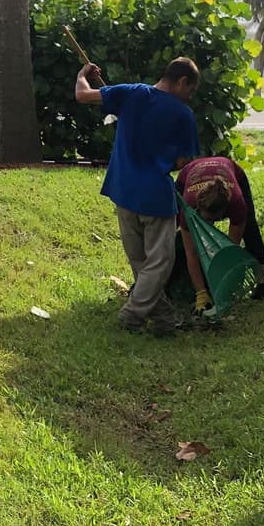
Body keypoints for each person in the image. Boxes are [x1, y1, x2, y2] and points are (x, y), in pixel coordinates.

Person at [75, 57, 202, 334]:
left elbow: (82, 94)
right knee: (159, 263)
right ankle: (131, 316)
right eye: (190, 90)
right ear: (182, 82)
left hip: (123, 190)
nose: (189, 97)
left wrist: (82, 73)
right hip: (155, 196)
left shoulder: (130, 93)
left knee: (141, 262)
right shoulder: (183, 115)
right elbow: (182, 161)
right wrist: (160, 162)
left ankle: (164, 319)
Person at [176, 153, 264, 311]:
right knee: (170, 225)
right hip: (188, 173)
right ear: (198, 209)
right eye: (205, 220)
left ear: (225, 211)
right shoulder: (189, 206)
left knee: (250, 228)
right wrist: (201, 293)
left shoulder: (237, 204)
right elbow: (191, 253)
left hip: (231, 169)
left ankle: (262, 285)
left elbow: (230, 251)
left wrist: (225, 285)